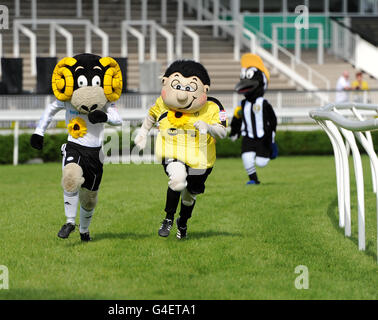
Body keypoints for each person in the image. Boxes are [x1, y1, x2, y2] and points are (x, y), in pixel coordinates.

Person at [30, 54, 123, 241]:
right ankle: (70, 222)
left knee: (89, 198)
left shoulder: (104, 98)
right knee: (70, 177)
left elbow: (118, 119)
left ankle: (84, 230)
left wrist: (104, 117)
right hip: (74, 146)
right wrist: (39, 131)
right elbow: (50, 110)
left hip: (95, 153)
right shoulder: (69, 97)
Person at [134, 60, 227, 239]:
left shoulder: (213, 106)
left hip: (201, 158)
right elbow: (152, 114)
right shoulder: (163, 102)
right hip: (172, 151)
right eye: (177, 85)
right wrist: (143, 132)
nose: (182, 94)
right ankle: (168, 218)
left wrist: (208, 127)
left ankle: (182, 222)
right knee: (177, 180)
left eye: (190, 88)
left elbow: (222, 132)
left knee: (190, 196)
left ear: (204, 89)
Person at [229, 53, 277, 185]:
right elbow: (237, 119)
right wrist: (234, 132)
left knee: (261, 163)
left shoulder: (263, 103)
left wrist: (272, 137)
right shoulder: (242, 105)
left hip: (263, 136)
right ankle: (253, 180)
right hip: (248, 137)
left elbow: (272, 120)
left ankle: (268, 151)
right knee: (246, 157)